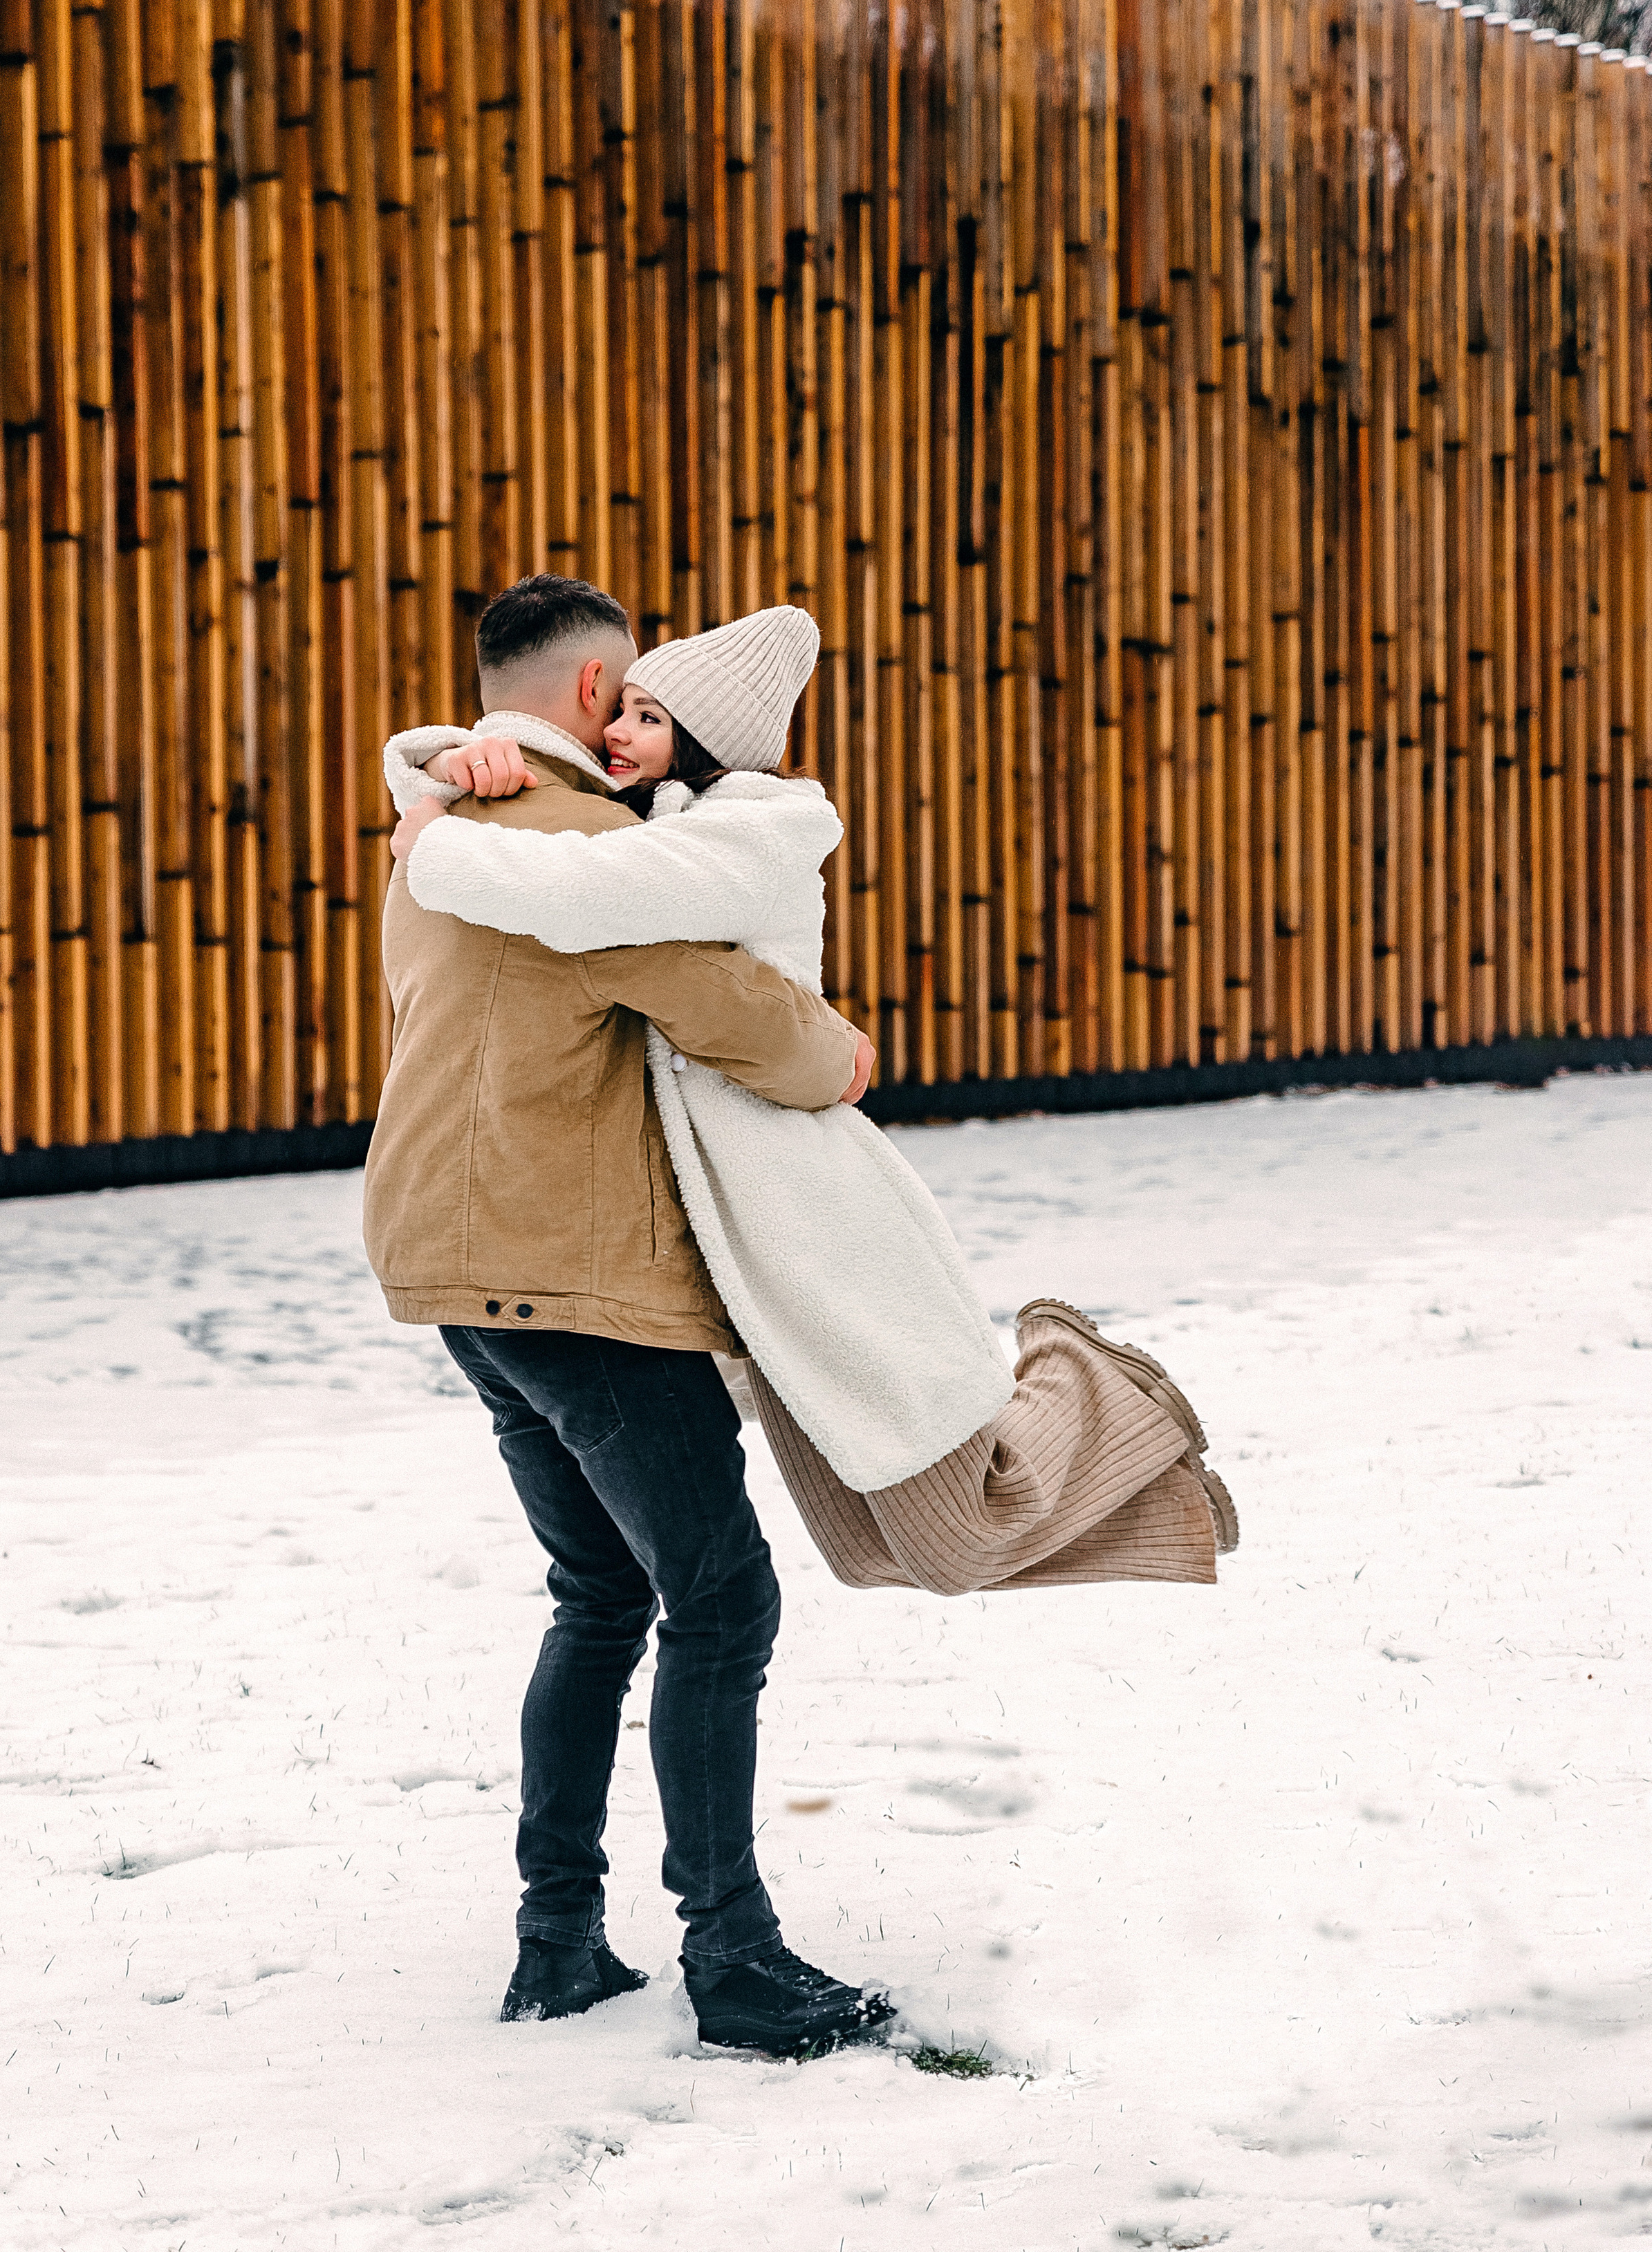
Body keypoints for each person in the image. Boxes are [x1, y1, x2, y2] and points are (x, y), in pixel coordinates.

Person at [386, 604, 1238, 1608]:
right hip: (716, 1220)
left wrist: (428, 823)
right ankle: (1117, 1445)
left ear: (702, 745)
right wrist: (439, 766)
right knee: (863, 1544)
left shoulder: (732, 834)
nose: (620, 730)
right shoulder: (636, 824)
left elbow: (609, 914)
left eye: (649, 717)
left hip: (797, 1195)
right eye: (624, 706)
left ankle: (1086, 1384)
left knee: (943, 1526)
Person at [363, 575, 893, 2060]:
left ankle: (557, 1942)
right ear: (599, 696)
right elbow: (731, 1008)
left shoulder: (439, 834)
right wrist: (839, 1052)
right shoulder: (586, 850)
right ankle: (732, 1958)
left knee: (600, 1598)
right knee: (720, 1600)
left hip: (458, 1266)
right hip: (574, 1274)